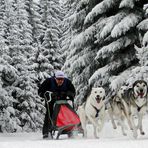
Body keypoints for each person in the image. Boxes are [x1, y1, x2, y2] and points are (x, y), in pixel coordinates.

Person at [38, 70, 76, 139]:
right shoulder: (49, 81)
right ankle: (46, 132)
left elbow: (73, 91)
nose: (60, 81)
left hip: (63, 102)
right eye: (58, 79)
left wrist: (69, 94)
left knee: (66, 114)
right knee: (49, 115)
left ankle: (68, 130)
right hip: (51, 102)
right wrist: (49, 94)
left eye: (62, 79)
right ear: (55, 78)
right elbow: (40, 91)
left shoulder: (67, 82)